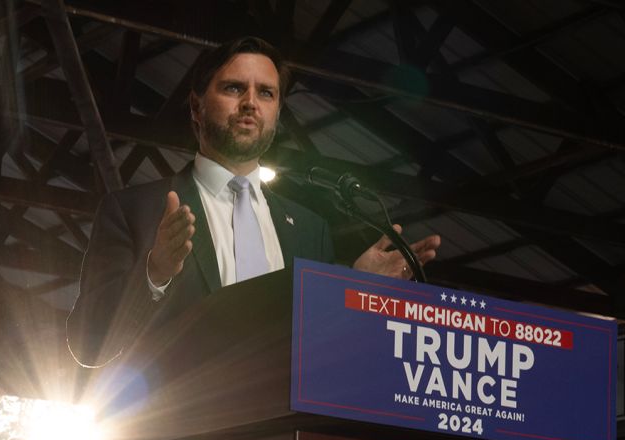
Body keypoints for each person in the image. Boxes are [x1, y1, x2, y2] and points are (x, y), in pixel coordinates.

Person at [67, 36, 440, 367]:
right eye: (232, 88)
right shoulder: (133, 210)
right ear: (196, 107)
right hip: (178, 437)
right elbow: (89, 345)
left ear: (277, 113)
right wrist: (155, 271)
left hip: (281, 436)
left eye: (266, 92)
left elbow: (324, 345)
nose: (250, 103)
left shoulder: (310, 229)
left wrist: (353, 288)